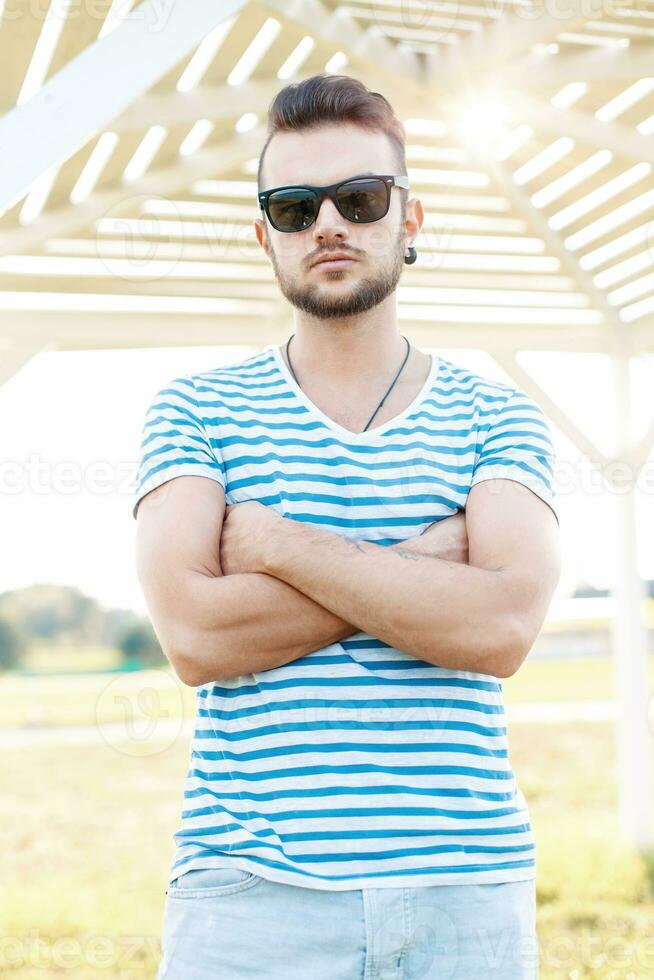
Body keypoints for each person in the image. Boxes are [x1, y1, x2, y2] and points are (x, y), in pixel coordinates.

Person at [133, 73, 561, 979]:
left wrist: (280, 547)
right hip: (249, 900)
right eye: (294, 206)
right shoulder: (195, 411)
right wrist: (427, 567)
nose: (327, 223)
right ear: (265, 237)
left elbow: (501, 628)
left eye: (359, 198)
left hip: (465, 898)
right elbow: (197, 637)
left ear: (409, 219)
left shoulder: (499, 416)